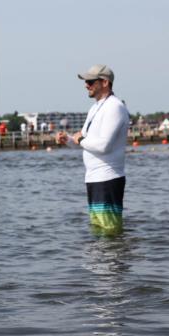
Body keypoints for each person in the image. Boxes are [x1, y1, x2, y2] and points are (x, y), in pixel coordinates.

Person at [57, 65, 130, 236]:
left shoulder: (114, 107)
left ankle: (114, 262)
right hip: (94, 178)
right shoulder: (95, 107)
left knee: (110, 232)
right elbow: (83, 142)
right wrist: (67, 140)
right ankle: (101, 262)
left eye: (90, 81)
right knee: (99, 231)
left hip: (108, 177)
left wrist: (80, 139)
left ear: (105, 82)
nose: (86, 85)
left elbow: (104, 146)